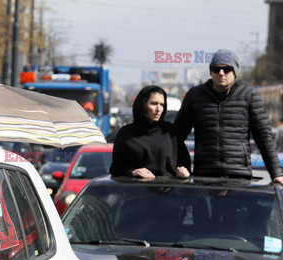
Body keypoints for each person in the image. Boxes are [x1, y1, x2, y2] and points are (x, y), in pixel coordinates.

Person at [174, 49, 283, 183]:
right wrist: (180, 166)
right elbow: (176, 136)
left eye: (227, 69)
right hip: (204, 176)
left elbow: (264, 137)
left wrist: (276, 173)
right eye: (216, 69)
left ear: (235, 72)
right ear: (210, 72)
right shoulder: (195, 95)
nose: (221, 73)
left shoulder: (249, 94)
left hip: (239, 176)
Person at [109, 85, 191, 179]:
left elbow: (184, 163)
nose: (159, 109)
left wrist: (183, 171)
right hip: (136, 191)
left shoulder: (170, 132)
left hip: (168, 191)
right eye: (154, 103)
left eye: (162, 105)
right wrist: (133, 172)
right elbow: (116, 169)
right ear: (143, 104)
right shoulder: (126, 133)